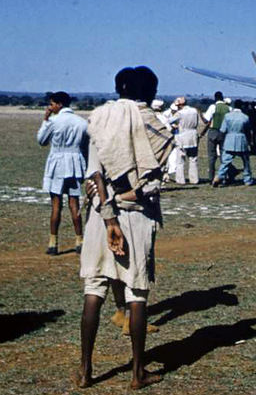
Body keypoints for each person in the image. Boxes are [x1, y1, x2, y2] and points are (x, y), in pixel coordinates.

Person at [75, 66, 173, 390]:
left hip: (101, 216)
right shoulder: (159, 127)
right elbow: (152, 185)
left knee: (94, 290)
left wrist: (107, 211)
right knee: (137, 295)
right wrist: (122, 201)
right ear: (152, 92)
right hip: (137, 217)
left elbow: (94, 175)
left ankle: (86, 371)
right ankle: (137, 373)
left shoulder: (103, 120)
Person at [37, 91, 89, 255]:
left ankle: (53, 243)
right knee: (74, 204)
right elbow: (85, 146)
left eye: (51, 104)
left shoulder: (53, 121)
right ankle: (79, 240)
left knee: (56, 205)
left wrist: (45, 120)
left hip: (58, 164)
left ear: (59, 104)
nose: (50, 107)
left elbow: (42, 140)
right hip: (74, 163)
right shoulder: (82, 122)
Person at [212, 100, 256, 187]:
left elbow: (223, 130)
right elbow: (248, 131)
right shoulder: (245, 117)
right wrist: (250, 142)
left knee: (225, 162)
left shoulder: (227, 116)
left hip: (229, 140)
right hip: (241, 140)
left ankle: (219, 176)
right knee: (246, 162)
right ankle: (247, 179)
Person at [169, 97, 203, 184]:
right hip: (193, 135)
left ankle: (180, 180)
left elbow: (169, 121)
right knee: (193, 159)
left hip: (182, 135)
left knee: (180, 160)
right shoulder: (194, 111)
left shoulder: (180, 113)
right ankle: (194, 179)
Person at [200, 91, 230, 181]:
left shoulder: (213, 107)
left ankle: (211, 177)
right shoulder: (228, 108)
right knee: (223, 156)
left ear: (215, 98)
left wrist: (200, 114)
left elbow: (206, 120)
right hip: (224, 133)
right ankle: (223, 177)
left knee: (212, 156)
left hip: (213, 131)